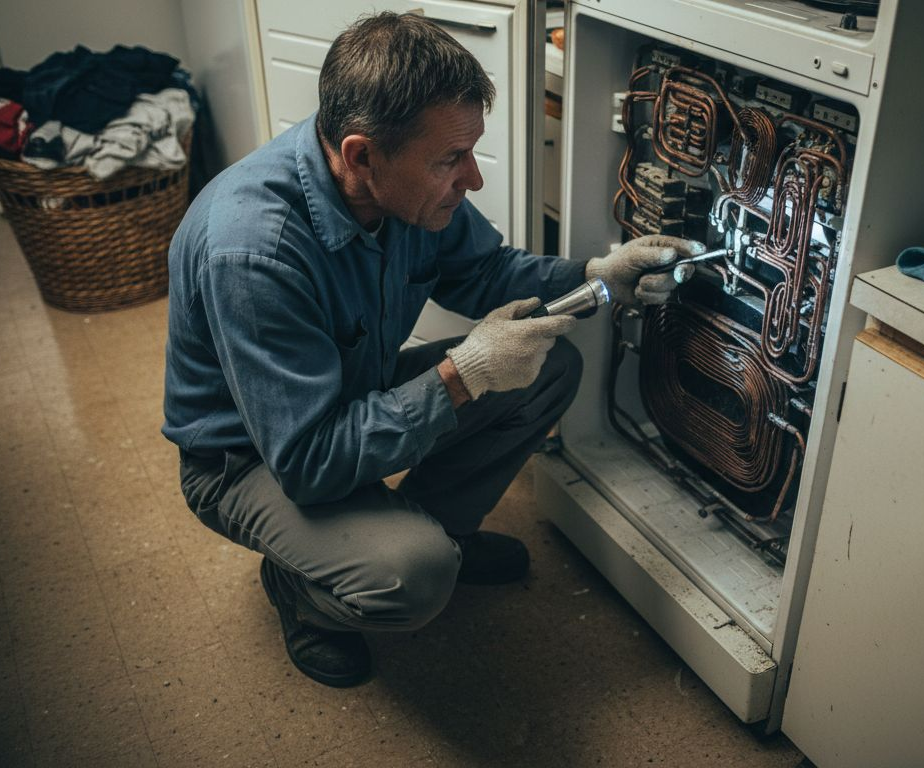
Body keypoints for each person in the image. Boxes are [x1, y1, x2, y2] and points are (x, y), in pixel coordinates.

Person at [162, 12, 698, 688]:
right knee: (411, 576)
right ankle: (303, 590)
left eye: (469, 151)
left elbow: (485, 271)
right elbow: (308, 460)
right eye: (450, 160)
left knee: (550, 363)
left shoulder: (399, 190)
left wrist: (595, 276)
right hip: (250, 457)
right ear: (362, 155)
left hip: (348, 397)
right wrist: (462, 374)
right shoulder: (253, 251)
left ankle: (435, 526)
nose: (471, 179)